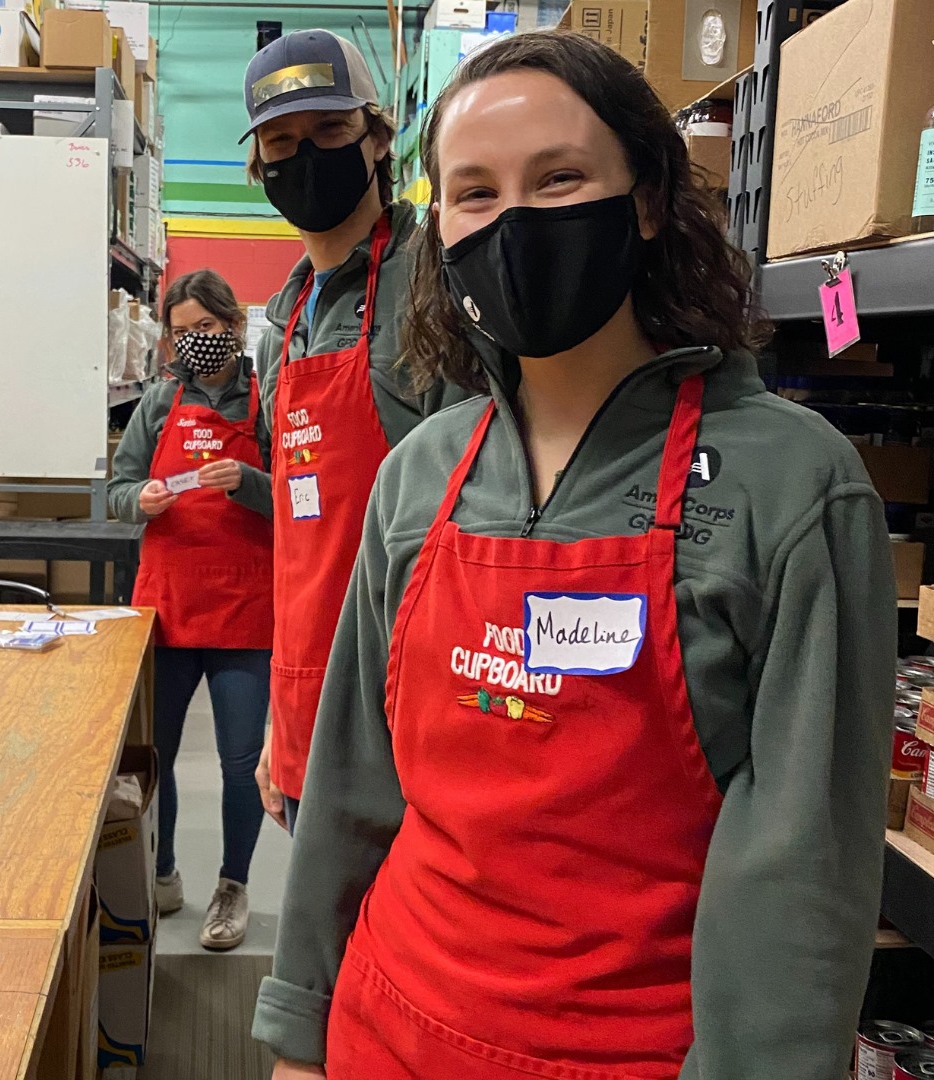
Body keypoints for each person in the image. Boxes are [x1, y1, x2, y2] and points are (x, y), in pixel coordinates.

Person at [252, 30, 895, 1080]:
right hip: (388, 1028)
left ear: (645, 198)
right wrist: (300, 1033)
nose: (514, 223)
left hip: (630, 1055)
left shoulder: (792, 489)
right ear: (443, 225)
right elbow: (352, 789)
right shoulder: (422, 475)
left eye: (558, 178)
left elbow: (802, 877)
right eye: (474, 192)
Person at [239, 29, 467, 832]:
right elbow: (301, 540)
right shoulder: (282, 315)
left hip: (415, 705)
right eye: (282, 142)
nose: (305, 157)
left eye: (330, 133)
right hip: (308, 698)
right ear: (257, 167)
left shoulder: (436, 277)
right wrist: (281, 713)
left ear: (377, 138)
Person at [109, 269, 273, 952]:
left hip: (245, 609)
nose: (194, 342)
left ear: (234, 326)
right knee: (159, 754)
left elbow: (304, 499)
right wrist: (137, 499)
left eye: (205, 329)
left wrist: (250, 482)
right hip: (169, 607)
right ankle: (164, 869)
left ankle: (232, 888)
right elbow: (115, 491)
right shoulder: (157, 402)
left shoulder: (272, 401)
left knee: (241, 765)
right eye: (181, 332)